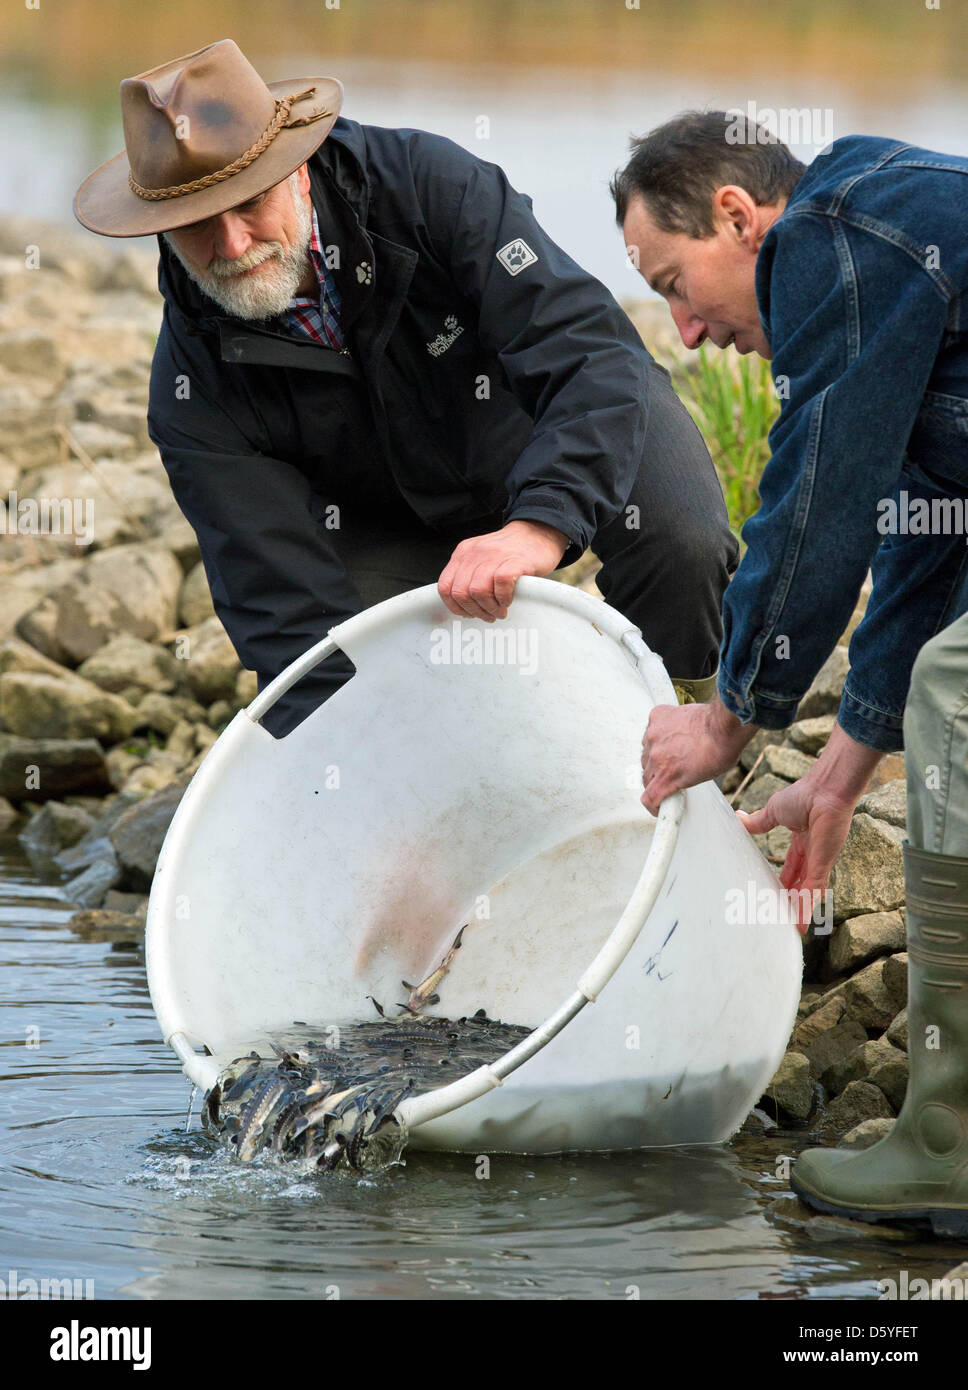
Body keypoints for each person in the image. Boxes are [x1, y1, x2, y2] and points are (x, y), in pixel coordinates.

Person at [73, 40, 737, 738]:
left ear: (296, 169)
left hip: (544, 423)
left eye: (250, 203)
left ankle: (691, 717)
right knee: (376, 689)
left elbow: (590, 357)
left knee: (684, 544)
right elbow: (280, 609)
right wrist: (358, 773)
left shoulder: (434, 188)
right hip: (391, 521)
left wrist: (540, 522)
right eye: (197, 224)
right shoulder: (190, 388)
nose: (234, 245)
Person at [616, 110, 968, 1235]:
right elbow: (929, 530)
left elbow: (815, 500)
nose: (683, 331)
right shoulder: (881, 217)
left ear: (736, 215)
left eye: (676, 283)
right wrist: (836, 771)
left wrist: (729, 716)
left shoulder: (827, 235)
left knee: (956, 695)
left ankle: (949, 1147)